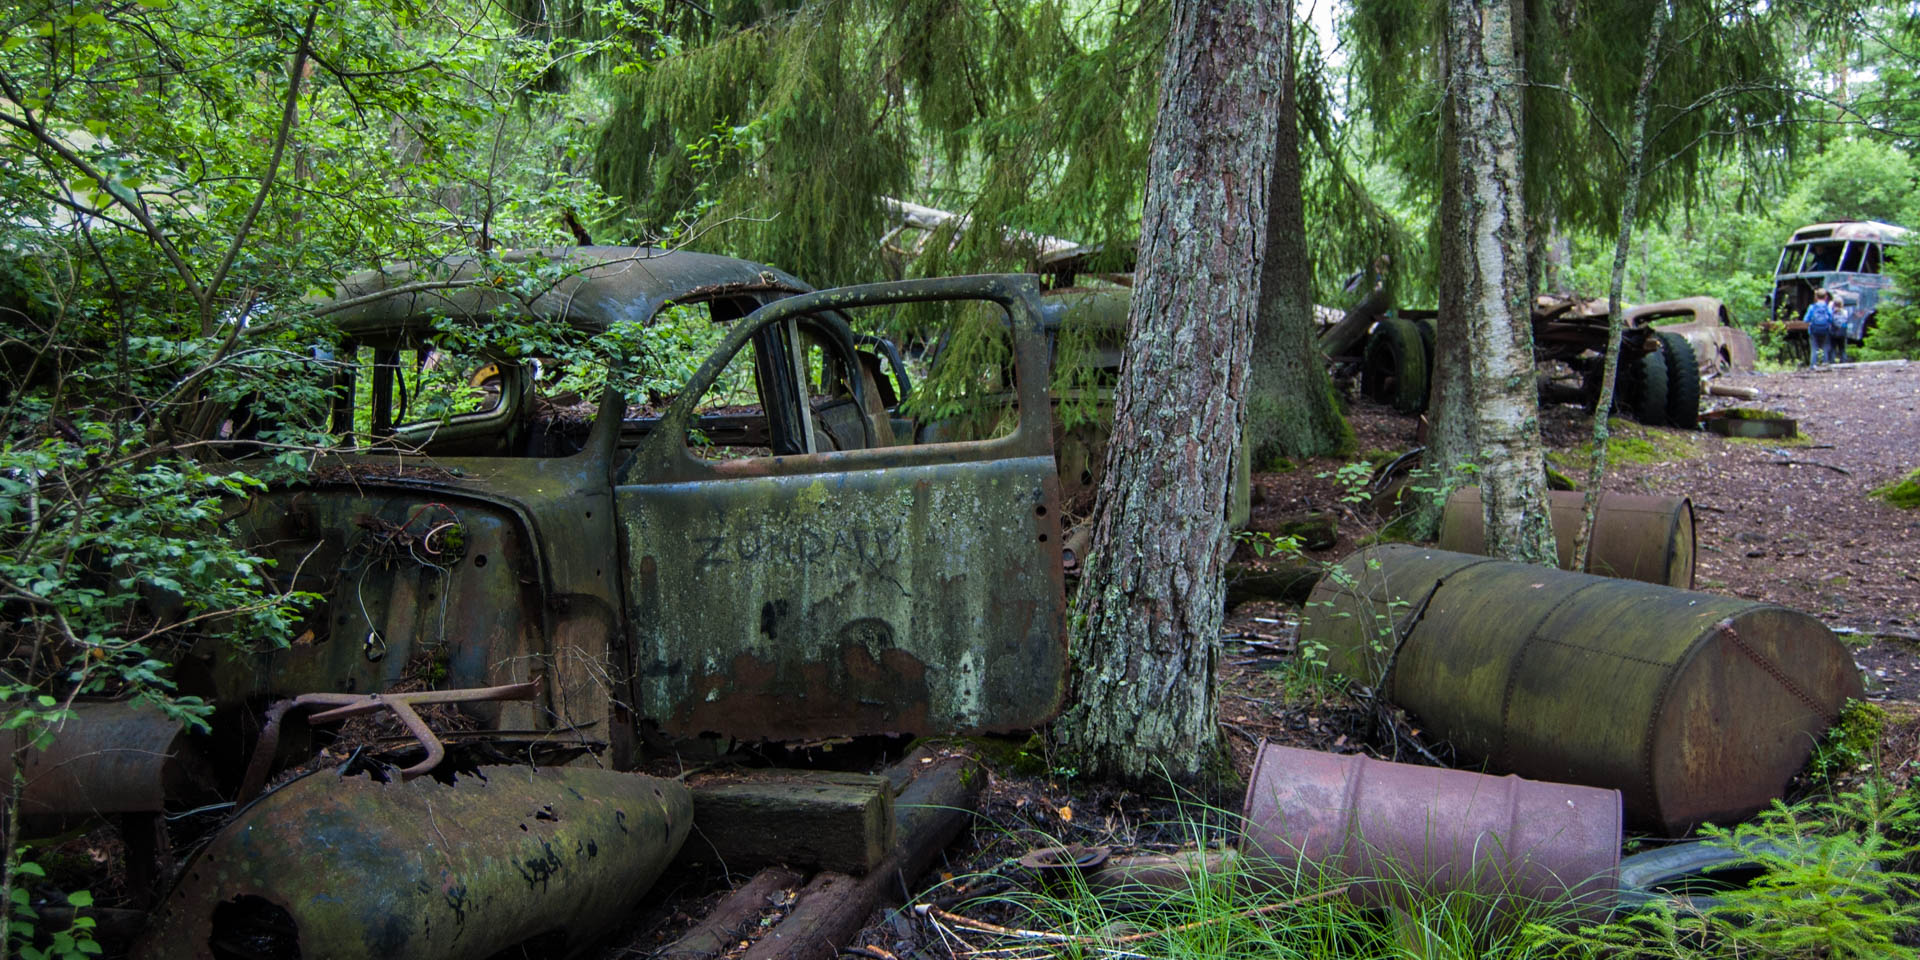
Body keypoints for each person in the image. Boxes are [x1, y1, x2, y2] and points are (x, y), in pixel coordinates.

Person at [1804, 288, 1834, 368]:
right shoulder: (1827, 307)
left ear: (1816, 297)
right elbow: (1831, 319)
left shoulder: (1812, 307)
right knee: (1825, 347)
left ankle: (1813, 365)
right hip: (1825, 330)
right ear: (1826, 297)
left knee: (1814, 348)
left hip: (1814, 330)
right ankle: (1825, 364)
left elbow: (1806, 319)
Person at [1830, 295, 1852, 364]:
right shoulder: (1845, 312)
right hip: (1842, 332)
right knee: (1842, 348)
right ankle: (1843, 361)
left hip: (1833, 332)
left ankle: (1832, 362)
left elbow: (1830, 320)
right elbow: (1846, 320)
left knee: (1833, 348)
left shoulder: (1831, 312)